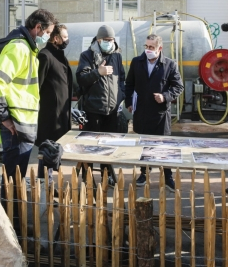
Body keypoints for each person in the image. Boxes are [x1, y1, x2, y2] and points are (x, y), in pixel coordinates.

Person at [0, 8, 57, 183]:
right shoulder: (20, 48)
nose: (47, 36)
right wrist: (4, 117)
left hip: (20, 126)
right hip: (15, 127)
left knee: (15, 179)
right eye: (47, 32)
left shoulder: (27, 49)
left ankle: (12, 209)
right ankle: (10, 211)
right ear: (38, 27)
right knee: (13, 181)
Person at [125, 34, 184, 190]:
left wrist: (165, 97)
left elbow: (178, 87)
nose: (148, 50)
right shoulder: (137, 62)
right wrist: (129, 102)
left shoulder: (170, 65)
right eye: (146, 46)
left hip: (160, 114)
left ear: (159, 48)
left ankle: (167, 176)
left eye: (151, 47)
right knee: (144, 144)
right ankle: (144, 173)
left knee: (163, 146)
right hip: (142, 112)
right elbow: (129, 84)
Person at [76, 24, 125, 188]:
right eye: (106, 40)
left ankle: (107, 174)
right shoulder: (87, 56)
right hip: (93, 110)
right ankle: (87, 177)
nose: (109, 43)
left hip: (111, 111)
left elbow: (122, 79)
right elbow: (82, 79)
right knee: (90, 146)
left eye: (111, 40)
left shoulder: (116, 56)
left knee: (108, 146)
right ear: (98, 40)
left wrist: (121, 96)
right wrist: (98, 72)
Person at [36, 24, 72, 179]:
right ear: (55, 38)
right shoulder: (45, 55)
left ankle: (49, 185)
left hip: (62, 114)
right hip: (50, 115)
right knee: (47, 152)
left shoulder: (60, 54)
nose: (67, 40)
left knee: (56, 152)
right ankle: (44, 185)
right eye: (64, 37)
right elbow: (37, 85)